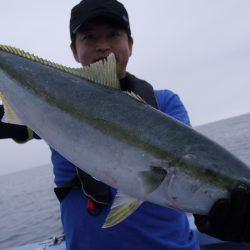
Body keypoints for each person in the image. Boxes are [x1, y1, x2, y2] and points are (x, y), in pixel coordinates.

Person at [1, 0, 250, 249]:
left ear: (130, 44)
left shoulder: (165, 103)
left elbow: (185, 165)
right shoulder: (43, 104)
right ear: (74, 50)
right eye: (89, 37)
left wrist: (214, 216)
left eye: (114, 35)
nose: (103, 46)